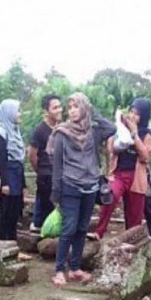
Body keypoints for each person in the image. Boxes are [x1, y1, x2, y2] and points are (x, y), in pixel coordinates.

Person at [48, 92, 115, 288]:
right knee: (68, 228)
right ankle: (59, 270)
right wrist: (56, 191)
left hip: (91, 186)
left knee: (82, 228)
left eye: (77, 106)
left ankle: (75, 268)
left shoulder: (93, 130)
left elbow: (111, 128)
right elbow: (57, 164)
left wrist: (94, 114)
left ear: (85, 108)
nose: (72, 111)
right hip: (70, 184)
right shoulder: (62, 133)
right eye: (70, 107)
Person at [94, 98, 151, 240]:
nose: (132, 116)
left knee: (134, 216)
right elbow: (110, 147)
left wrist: (134, 134)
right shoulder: (121, 128)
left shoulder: (147, 134)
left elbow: (145, 156)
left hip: (136, 178)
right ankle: (98, 232)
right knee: (110, 196)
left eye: (137, 114)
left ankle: (131, 245)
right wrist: (119, 139)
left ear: (144, 116)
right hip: (119, 174)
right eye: (131, 112)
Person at [0, 99, 26, 241]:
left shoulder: (15, 132)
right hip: (8, 175)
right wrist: (4, 183)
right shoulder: (1, 132)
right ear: (8, 113)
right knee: (6, 212)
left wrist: (23, 184)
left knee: (15, 212)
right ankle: (2, 246)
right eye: (17, 111)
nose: (19, 114)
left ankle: (13, 245)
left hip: (16, 175)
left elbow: (19, 160)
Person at [28, 94, 62, 232]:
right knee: (45, 210)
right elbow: (32, 155)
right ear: (46, 111)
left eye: (60, 106)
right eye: (55, 108)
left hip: (60, 175)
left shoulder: (62, 128)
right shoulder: (40, 130)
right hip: (46, 176)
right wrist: (41, 170)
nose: (59, 110)